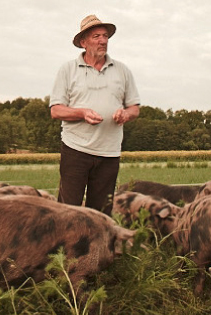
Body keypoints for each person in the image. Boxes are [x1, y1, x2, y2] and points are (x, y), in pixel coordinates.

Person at [49, 14, 140, 214]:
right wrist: (82, 113)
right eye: (96, 36)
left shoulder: (122, 71)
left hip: (109, 153)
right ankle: (63, 246)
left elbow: (134, 108)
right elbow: (56, 110)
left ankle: (96, 246)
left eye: (105, 36)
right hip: (75, 150)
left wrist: (126, 114)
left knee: (101, 214)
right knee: (67, 211)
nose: (103, 41)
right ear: (83, 42)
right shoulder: (68, 70)